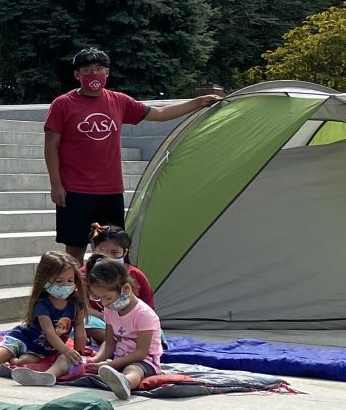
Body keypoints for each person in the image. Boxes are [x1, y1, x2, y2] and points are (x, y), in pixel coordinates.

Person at [46, 48, 218, 258]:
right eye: (88, 69)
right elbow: (51, 146)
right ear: (77, 74)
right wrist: (56, 184)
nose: (94, 74)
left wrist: (198, 102)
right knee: (75, 249)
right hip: (75, 190)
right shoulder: (62, 104)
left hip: (110, 189)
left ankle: (111, 290)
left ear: (107, 73)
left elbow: (161, 114)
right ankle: (76, 289)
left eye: (99, 69)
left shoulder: (119, 101)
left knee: (112, 248)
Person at [0, 250, 85, 381]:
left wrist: (79, 356)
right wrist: (66, 351)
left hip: (42, 350)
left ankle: (14, 359)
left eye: (70, 280)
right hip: (20, 340)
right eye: (58, 281)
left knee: (22, 365)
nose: (66, 285)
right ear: (45, 280)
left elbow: (79, 330)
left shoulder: (75, 304)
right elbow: (50, 333)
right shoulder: (42, 304)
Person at [79, 258, 161, 399]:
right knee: (85, 363)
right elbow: (109, 343)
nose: (104, 303)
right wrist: (96, 360)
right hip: (118, 360)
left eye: (108, 298)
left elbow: (141, 353)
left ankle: (125, 382)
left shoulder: (144, 315)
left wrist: (111, 364)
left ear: (126, 289)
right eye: (100, 299)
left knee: (133, 369)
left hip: (144, 362)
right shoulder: (110, 310)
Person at [87, 224, 155, 307]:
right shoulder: (84, 274)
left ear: (125, 252)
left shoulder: (136, 275)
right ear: (94, 251)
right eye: (102, 252)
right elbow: (81, 308)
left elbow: (149, 307)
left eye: (114, 252)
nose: (108, 257)